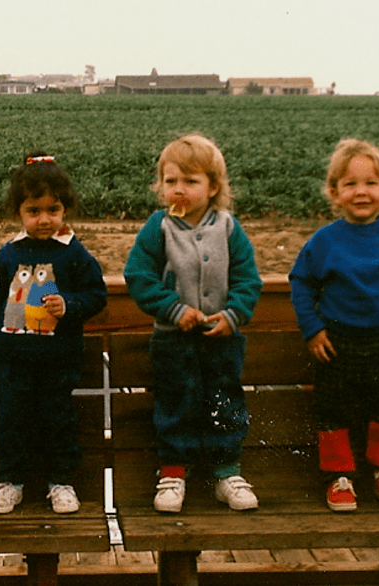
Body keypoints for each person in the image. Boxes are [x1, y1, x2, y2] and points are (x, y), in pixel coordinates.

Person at [124, 133, 262, 513]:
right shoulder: (159, 227)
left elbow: (248, 279)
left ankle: (227, 473)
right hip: (173, 339)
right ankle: (173, 472)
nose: (179, 189)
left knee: (224, 401)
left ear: (213, 187)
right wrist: (173, 309)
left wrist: (233, 314)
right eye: (170, 181)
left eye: (190, 181)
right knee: (176, 403)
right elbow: (139, 276)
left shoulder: (228, 227)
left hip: (221, 338)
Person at [0, 152, 107, 514]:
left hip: (58, 360)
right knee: (12, 420)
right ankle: (11, 482)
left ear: (65, 209)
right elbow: (1, 298)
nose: (44, 219)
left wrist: (70, 305)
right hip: (13, 359)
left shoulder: (74, 254)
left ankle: (60, 482)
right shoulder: (9, 254)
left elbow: (96, 295)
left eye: (53, 210)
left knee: (58, 419)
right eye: (33, 211)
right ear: (19, 212)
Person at [289, 138, 379, 512]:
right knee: (333, 409)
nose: (361, 192)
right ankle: (339, 476)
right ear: (334, 192)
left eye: (372, 183)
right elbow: (301, 282)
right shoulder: (325, 241)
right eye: (350, 184)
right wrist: (312, 329)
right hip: (336, 342)